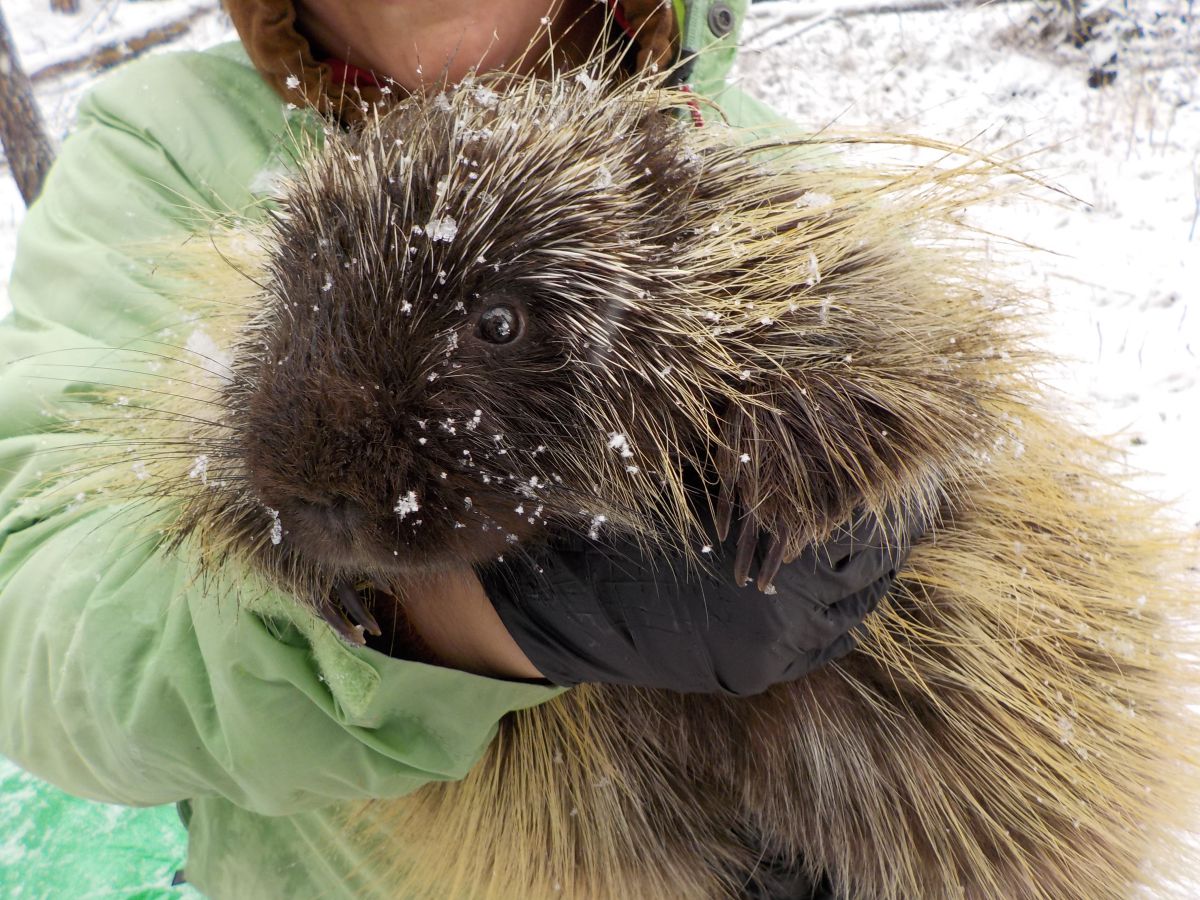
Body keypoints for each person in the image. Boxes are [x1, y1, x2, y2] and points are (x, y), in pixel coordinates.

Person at [0, 1, 910, 895]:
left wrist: (867, 459)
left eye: (502, 324)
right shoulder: (160, 146)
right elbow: (38, 622)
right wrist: (464, 625)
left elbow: (930, 384)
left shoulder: (741, 149)